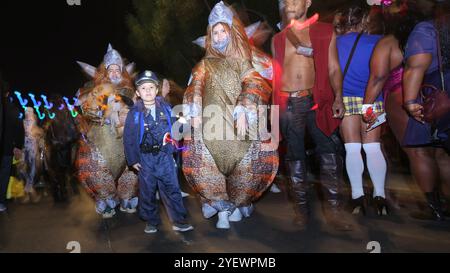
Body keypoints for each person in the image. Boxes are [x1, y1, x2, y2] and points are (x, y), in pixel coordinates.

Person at [182, 1, 279, 230]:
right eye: (213, 32)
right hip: (211, 126)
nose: (217, 36)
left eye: (221, 31)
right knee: (205, 164)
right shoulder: (204, 64)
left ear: (230, 32)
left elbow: (256, 82)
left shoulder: (243, 61)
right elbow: (194, 87)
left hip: (238, 126)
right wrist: (193, 112)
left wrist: (245, 108)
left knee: (246, 163)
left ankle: (239, 202)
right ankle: (219, 205)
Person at [272, 0, 351, 231]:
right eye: (286, 0)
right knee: (295, 158)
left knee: (330, 153)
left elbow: (334, 68)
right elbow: (275, 78)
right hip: (288, 104)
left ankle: (334, 214)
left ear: (307, 2)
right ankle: (302, 212)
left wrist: (338, 97)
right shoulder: (278, 39)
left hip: (315, 101)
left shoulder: (325, 31)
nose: (289, 3)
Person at [124, 70, 193, 234]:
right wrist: (132, 160)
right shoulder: (134, 113)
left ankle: (178, 220)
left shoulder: (167, 108)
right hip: (145, 159)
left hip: (165, 157)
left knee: (172, 189)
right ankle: (151, 221)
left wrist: (187, 121)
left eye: (151, 87)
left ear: (156, 90)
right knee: (147, 192)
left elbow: (178, 128)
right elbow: (129, 137)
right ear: (137, 93)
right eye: (143, 88)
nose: (147, 91)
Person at [334, 4, 387, 216]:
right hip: (372, 100)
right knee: (373, 148)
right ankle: (380, 197)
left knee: (352, 148)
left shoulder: (334, 44)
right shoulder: (378, 43)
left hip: (346, 100)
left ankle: (357, 198)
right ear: (364, 21)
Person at [75, 44, 139, 218]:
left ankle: (127, 198)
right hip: (102, 140)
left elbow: (139, 109)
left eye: (118, 69)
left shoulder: (131, 91)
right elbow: (87, 109)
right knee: (97, 168)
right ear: (105, 72)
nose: (115, 73)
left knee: (131, 170)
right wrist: (105, 111)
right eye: (111, 69)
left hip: (127, 141)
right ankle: (106, 200)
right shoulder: (97, 91)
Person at [401, 0, 450, 220]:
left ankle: (434, 207)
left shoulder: (428, 28)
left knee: (421, 150)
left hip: (437, 96)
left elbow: (416, 66)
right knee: (443, 152)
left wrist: (411, 102)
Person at [0, 91, 25, 212]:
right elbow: (19, 129)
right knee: (4, 175)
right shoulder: (12, 109)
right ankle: (1, 202)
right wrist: (18, 146)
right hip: (6, 148)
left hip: (7, 148)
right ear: (7, 93)